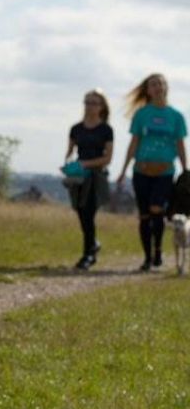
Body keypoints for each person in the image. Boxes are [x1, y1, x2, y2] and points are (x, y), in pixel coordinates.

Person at [117, 73, 187, 271]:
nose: (158, 87)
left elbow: (180, 145)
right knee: (145, 215)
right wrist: (123, 170)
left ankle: (157, 251)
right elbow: (134, 143)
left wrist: (185, 170)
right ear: (148, 90)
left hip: (164, 172)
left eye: (161, 83)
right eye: (153, 84)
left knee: (158, 209)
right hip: (141, 170)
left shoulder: (176, 116)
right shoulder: (142, 115)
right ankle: (148, 257)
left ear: (166, 88)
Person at [63, 89, 114, 270]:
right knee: (80, 211)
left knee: (89, 212)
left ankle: (88, 254)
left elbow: (108, 158)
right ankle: (93, 243)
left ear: (101, 107)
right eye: (87, 102)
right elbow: (69, 152)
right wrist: (69, 164)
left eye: (94, 103)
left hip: (96, 176)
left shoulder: (106, 130)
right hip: (79, 177)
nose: (89, 106)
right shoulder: (76, 128)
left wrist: (87, 163)